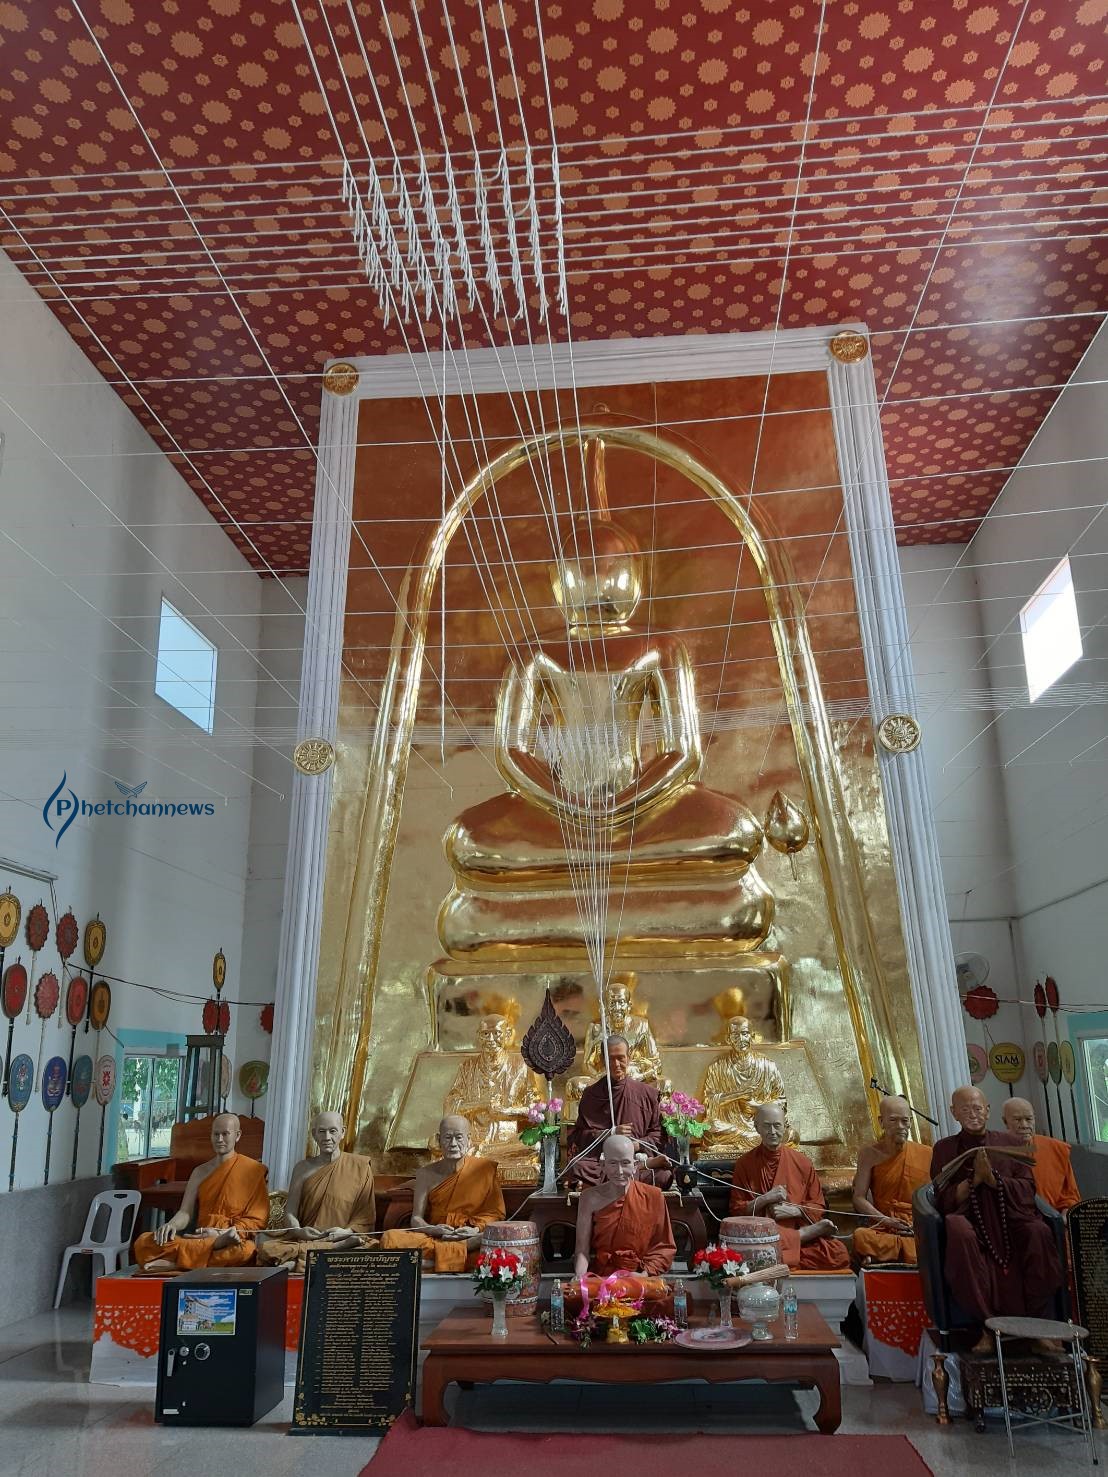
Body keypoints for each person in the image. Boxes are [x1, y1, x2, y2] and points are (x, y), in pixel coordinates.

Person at [930, 1086, 1063, 1343]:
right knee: (958, 1230)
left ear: (988, 1110)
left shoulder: (1012, 1143)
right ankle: (986, 1327)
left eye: (978, 1108)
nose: (973, 1114)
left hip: (1010, 1216)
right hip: (971, 1217)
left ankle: (1036, 1326)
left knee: (1038, 1231)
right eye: (965, 1109)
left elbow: (1028, 1188)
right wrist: (973, 1182)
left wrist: (993, 1180)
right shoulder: (944, 1148)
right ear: (953, 1113)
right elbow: (942, 1198)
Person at [132, 1113, 269, 1270]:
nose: (219, 1139)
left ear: (237, 1136)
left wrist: (222, 1234)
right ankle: (203, 1253)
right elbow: (185, 1213)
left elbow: (258, 1219)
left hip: (230, 1239)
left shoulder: (252, 1170)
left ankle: (176, 1264)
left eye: (225, 1134)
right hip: (200, 1237)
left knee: (246, 1251)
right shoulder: (200, 1172)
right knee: (144, 1243)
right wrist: (171, 1225)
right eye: (216, 1134)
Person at [728, 1102, 850, 1270]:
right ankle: (801, 1236)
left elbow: (818, 1206)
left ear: (785, 1126)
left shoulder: (802, 1162)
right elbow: (737, 1211)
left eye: (777, 1125)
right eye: (767, 1126)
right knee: (751, 1252)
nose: (772, 1131)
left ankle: (792, 1242)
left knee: (838, 1253)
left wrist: (797, 1211)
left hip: (792, 1231)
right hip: (761, 1235)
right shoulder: (745, 1164)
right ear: (757, 1128)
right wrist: (765, 1199)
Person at [379, 1115, 504, 1272]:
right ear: (439, 1140)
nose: (453, 1144)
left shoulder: (484, 1170)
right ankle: (460, 1252)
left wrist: (475, 1230)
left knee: (496, 1251)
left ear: (469, 1139)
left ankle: (432, 1262)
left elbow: (495, 1213)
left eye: (459, 1137)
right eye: (447, 1137)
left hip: (470, 1235)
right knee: (390, 1238)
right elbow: (416, 1218)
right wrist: (432, 1229)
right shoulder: (425, 1174)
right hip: (437, 1237)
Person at [257, 1110, 377, 1273]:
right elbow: (290, 1213)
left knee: (367, 1247)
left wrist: (346, 1232)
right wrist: (299, 1231)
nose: (327, 1137)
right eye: (321, 1131)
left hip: (343, 1236)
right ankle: (329, 1251)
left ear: (342, 1132)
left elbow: (365, 1218)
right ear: (314, 1134)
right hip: (308, 1239)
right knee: (266, 1249)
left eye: (333, 1131)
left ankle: (301, 1261)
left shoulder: (360, 1167)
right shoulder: (302, 1168)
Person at [572, 1134, 676, 1302]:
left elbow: (664, 1247)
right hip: (603, 1280)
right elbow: (582, 1251)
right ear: (603, 1165)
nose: (619, 1171)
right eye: (613, 1163)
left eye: (625, 1163)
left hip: (639, 1279)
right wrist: (579, 1277)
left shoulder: (653, 1196)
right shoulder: (589, 1198)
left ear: (635, 1166)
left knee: (668, 1305)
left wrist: (643, 1275)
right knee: (573, 1303)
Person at [566, 1035, 671, 1186]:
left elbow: (658, 1135)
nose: (616, 1064)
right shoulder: (591, 1095)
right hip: (603, 1160)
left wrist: (636, 1145)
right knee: (577, 1167)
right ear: (603, 1061)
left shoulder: (647, 1094)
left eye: (621, 1058)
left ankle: (634, 1168)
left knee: (664, 1176)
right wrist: (610, 1133)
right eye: (611, 1059)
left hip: (635, 1156)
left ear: (629, 1058)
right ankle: (637, 1170)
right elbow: (581, 1136)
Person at [852, 1095, 932, 1265]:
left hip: (915, 1226)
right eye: (893, 1120)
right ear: (881, 1122)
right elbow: (859, 1197)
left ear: (910, 1122)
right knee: (861, 1236)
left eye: (905, 1121)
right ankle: (907, 1253)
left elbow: (933, 1198)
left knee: (937, 1236)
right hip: (884, 1226)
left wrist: (919, 1224)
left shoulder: (927, 1154)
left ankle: (884, 1256)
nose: (900, 1126)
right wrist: (886, 1220)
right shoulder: (868, 1154)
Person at [698, 1015, 794, 1156]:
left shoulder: (767, 1065)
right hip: (730, 1127)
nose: (741, 1039)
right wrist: (738, 1095)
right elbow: (709, 1101)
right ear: (728, 1039)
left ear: (752, 1036)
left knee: (790, 1135)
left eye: (744, 1034)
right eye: (735, 1035)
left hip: (761, 1126)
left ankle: (735, 1146)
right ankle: (752, 1143)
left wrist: (759, 1108)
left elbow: (781, 1101)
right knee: (709, 1129)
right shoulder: (717, 1066)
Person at [1001, 1096, 1081, 1212]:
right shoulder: (997, 1152)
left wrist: (1065, 1213)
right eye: (1017, 1120)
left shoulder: (1055, 1148)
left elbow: (1069, 1195)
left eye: (1029, 1119)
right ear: (1005, 1122)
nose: (1024, 1125)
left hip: (1053, 1216)